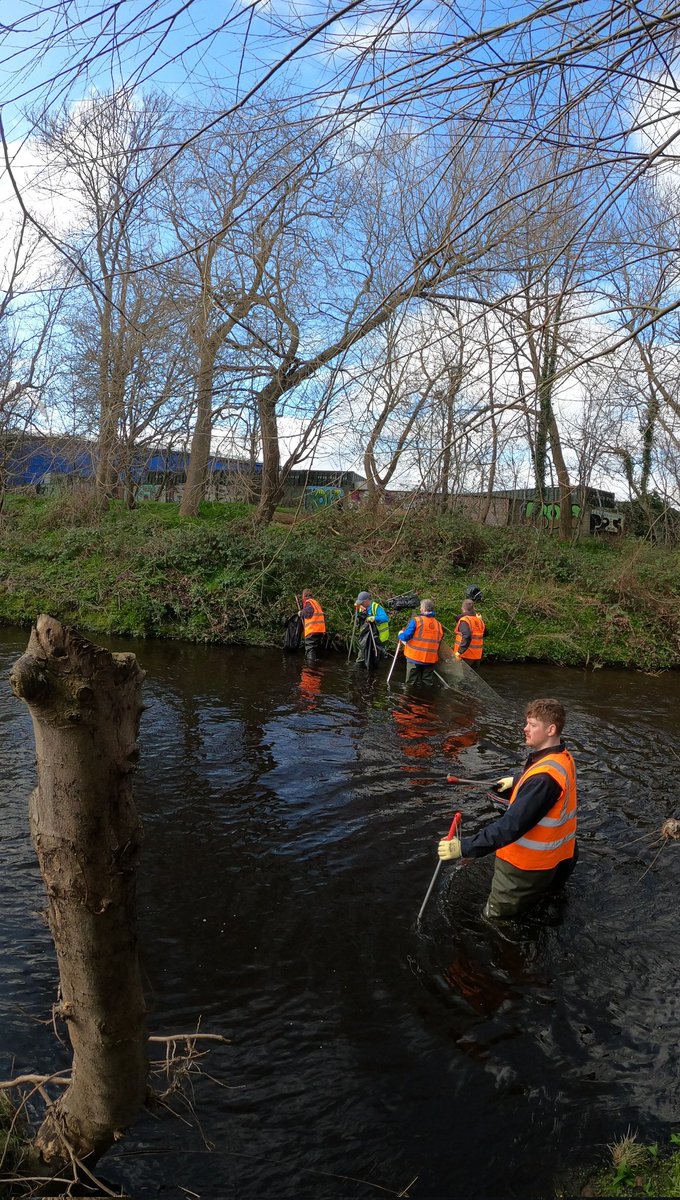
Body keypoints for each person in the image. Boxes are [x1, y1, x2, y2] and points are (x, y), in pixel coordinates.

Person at [438, 698, 578, 919]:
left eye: (532, 725)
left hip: (525, 869)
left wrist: (463, 847)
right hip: (560, 857)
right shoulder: (562, 757)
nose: (525, 729)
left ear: (550, 729)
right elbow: (545, 782)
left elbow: (509, 827)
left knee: (496, 920)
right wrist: (516, 779)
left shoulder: (543, 779)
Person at [397, 599, 443, 687]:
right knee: (427, 684)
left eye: (421, 608)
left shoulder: (416, 621)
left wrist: (400, 634)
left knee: (411, 683)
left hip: (414, 657)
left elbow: (405, 637)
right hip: (430, 660)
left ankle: (409, 698)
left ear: (423, 609)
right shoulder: (438, 624)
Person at [355, 590, 390, 664]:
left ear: (367, 600)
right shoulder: (362, 607)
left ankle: (372, 671)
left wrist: (374, 618)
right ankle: (359, 669)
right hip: (366, 637)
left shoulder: (376, 607)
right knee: (361, 657)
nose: (361, 604)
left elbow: (385, 618)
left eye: (362, 602)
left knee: (375, 659)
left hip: (378, 638)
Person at [453, 598, 486, 668]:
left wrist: (459, 652)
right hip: (477, 657)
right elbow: (485, 633)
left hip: (465, 656)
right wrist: (481, 619)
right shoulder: (480, 621)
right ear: (473, 608)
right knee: (473, 678)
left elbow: (467, 636)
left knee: (462, 678)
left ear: (462, 608)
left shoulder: (464, 620)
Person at [300, 588, 326, 660]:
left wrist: (301, 613)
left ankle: (311, 666)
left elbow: (308, 613)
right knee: (315, 649)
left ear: (304, 596)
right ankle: (315, 665)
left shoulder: (309, 602)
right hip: (319, 630)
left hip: (312, 630)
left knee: (310, 648)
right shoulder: (315, 602)